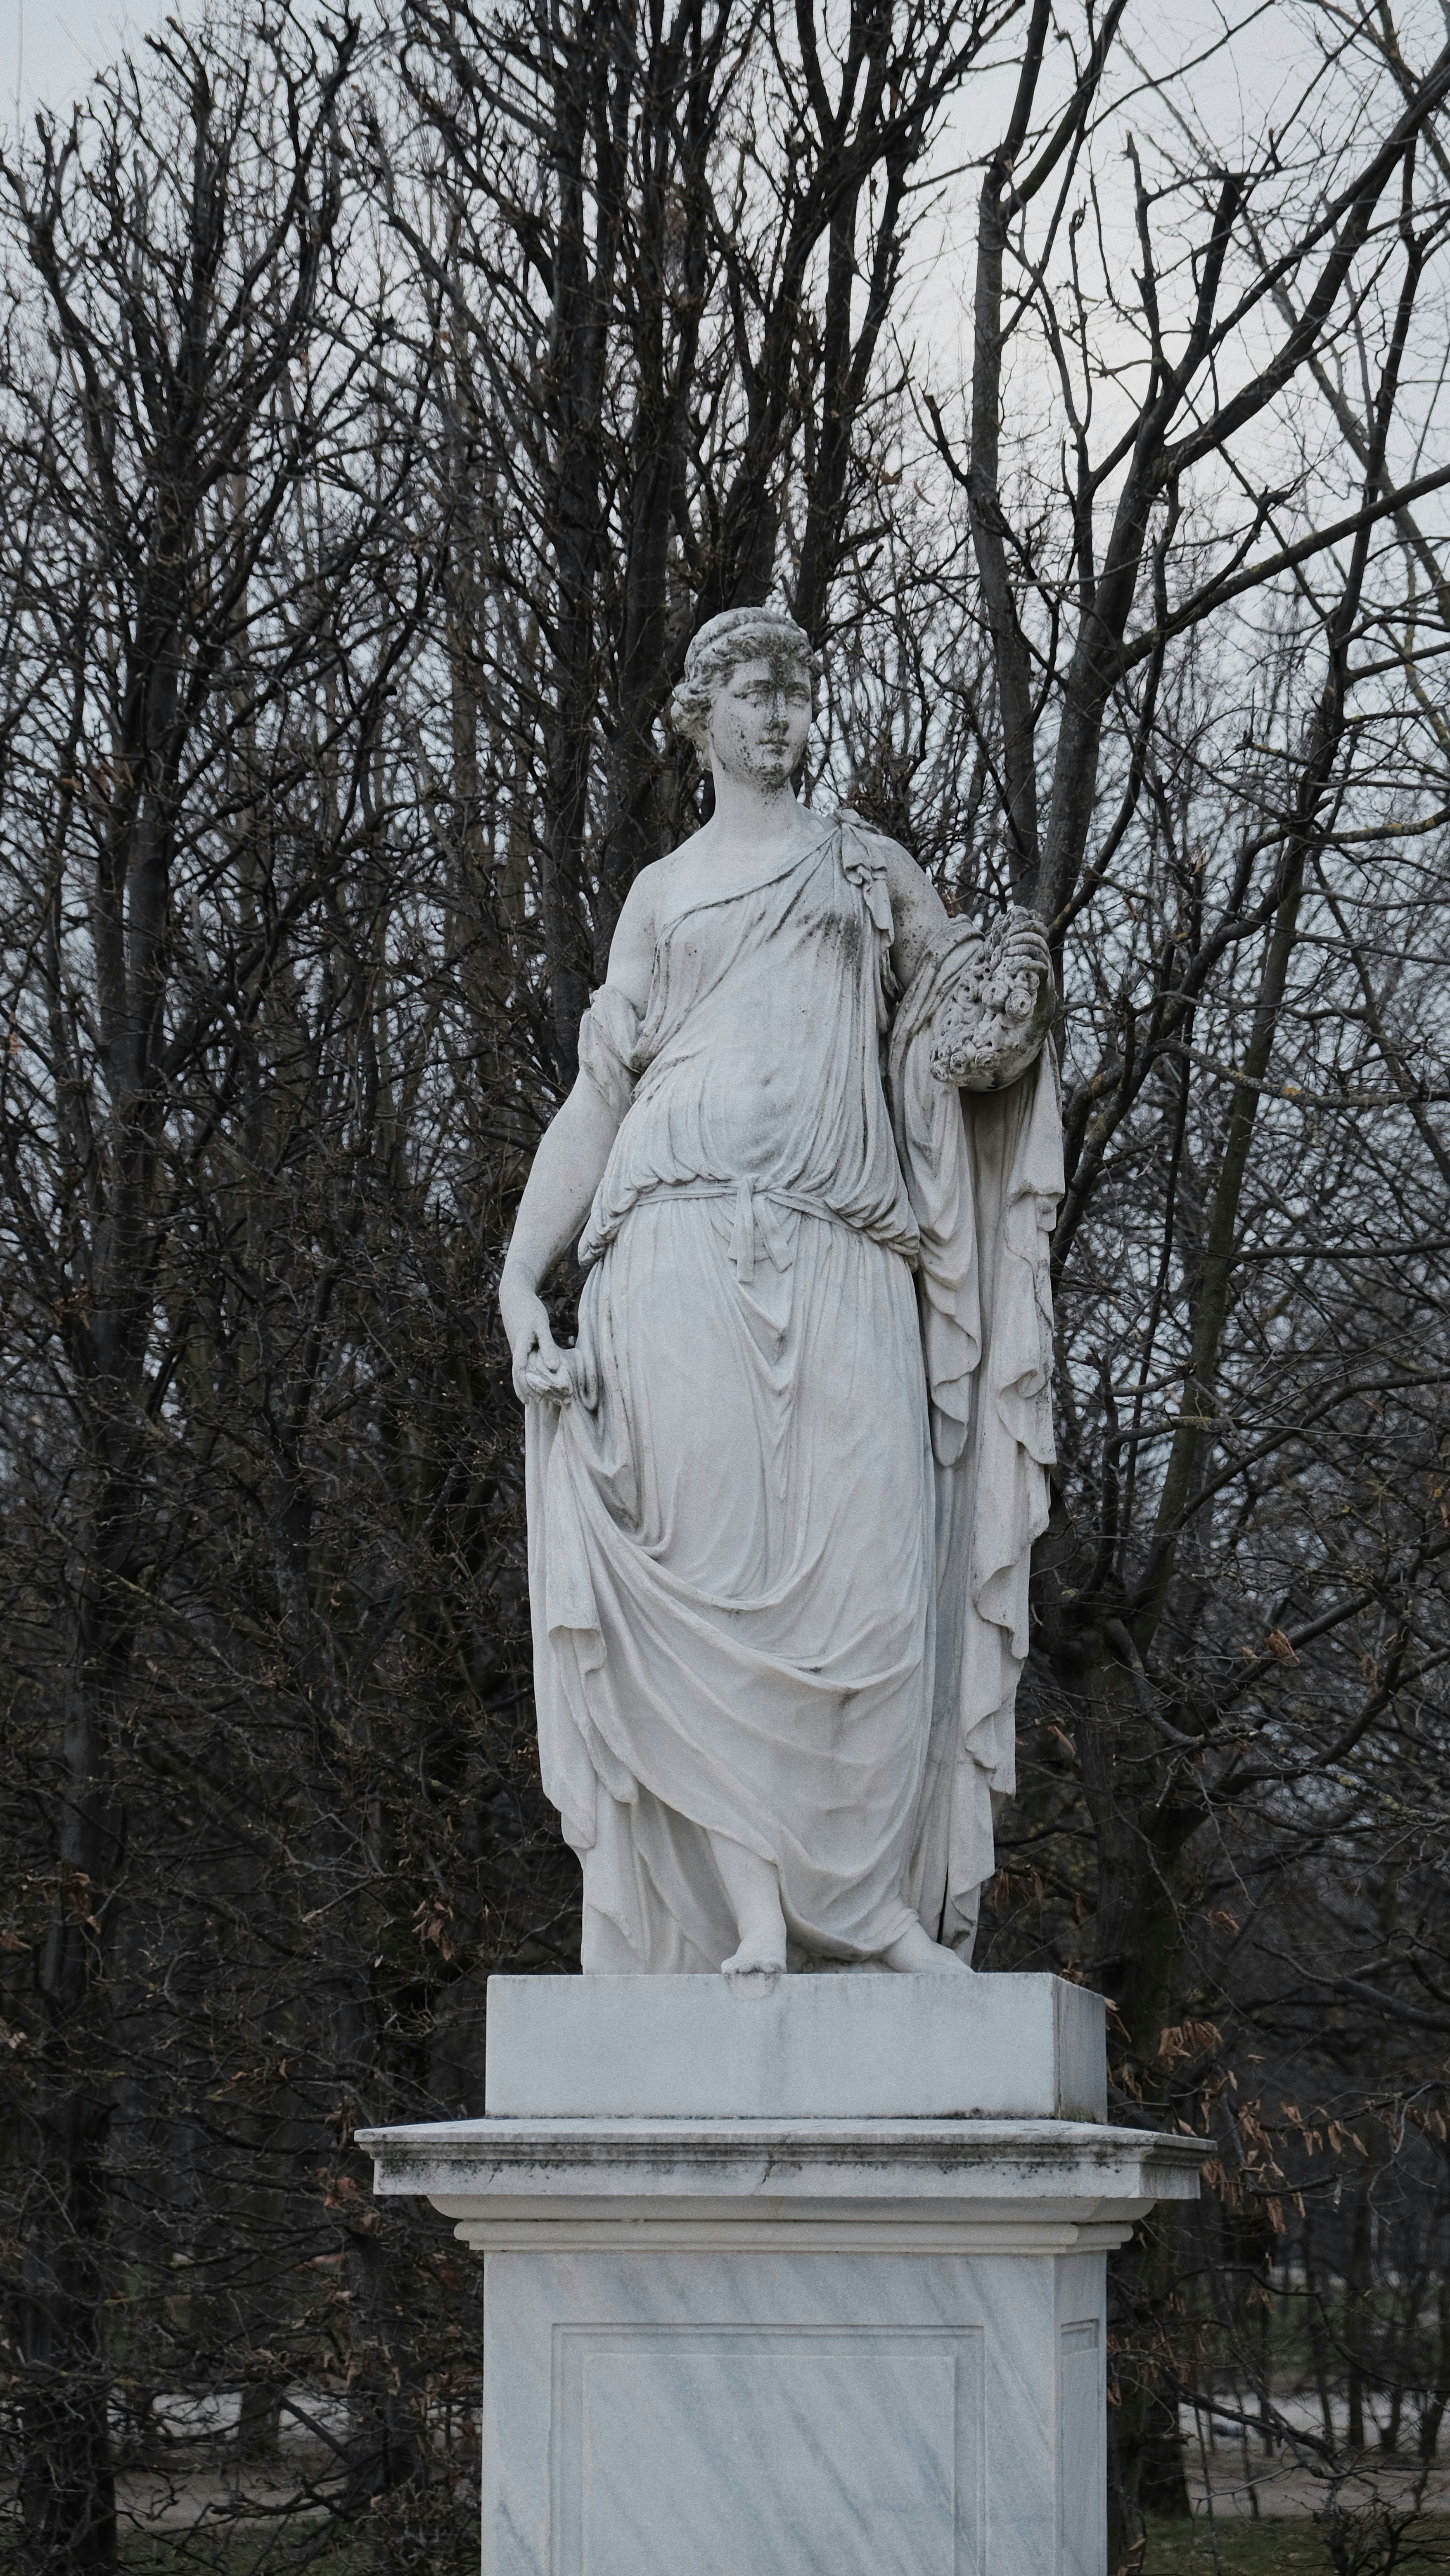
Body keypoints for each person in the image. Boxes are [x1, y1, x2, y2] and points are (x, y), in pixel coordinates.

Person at [500, 605, 1061, 1989]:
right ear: (702, 716)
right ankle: (755, 1914)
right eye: (753, 692)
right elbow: (598, 1096)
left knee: (870, 1577)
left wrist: (1007, 1006)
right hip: (673, 1247)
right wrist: (522, 1277)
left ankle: (867, 1909)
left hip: (847, 1247)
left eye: (797, 695)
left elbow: (964, 1031)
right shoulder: (662, 894)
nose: (780, 716)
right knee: (715, 1579)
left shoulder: (870, 870)